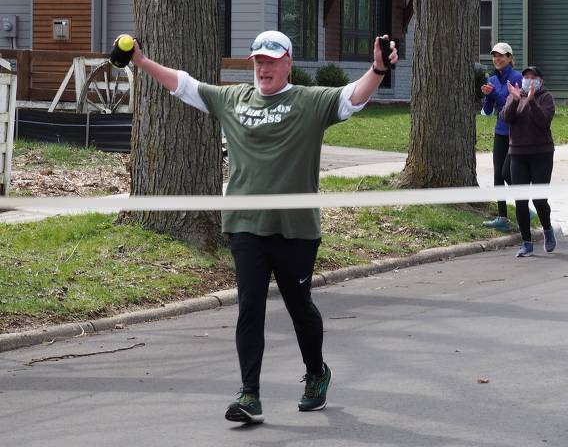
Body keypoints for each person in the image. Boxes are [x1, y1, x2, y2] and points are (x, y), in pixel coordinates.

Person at [128, 30, 398, 424]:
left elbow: (353, 96)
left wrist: (377, 69)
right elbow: (184, 85)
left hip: (295, 228)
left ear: (288, 63)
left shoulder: (308, 101)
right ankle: (249, 394)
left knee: (299, 307)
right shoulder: (233, 99)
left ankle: (316, 373)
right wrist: (141, 61)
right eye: (258, 61)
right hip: (246, 225)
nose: (264, 68)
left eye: (271, 61)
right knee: (249, 307)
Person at [499, 66, 557, 257]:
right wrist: (515, 100)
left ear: (541, 81)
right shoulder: (515, 94)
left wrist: (532, 101)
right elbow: (507, 118)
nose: (529, 80)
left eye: (533, 77)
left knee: (539, 199)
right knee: (521, 200)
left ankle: (547, 229)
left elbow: (544, 121)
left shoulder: (546, 98)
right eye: (526, 77)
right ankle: (526, 242)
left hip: (542, 153)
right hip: (518, 154)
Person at [480, 42, 523, 232]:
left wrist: (494, 93)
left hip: (515, 133)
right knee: (498, 174)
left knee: (507, 173)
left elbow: (510, 105)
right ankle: (502, 217)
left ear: (510, 58)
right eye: (494, 56)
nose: (497, 59)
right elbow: (488, 111)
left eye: (501, 56)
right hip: (500, 131)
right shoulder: (492, 79)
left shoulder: (517, 78)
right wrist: (487, 96)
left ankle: (524, 205)